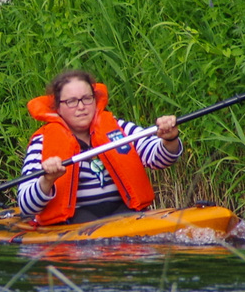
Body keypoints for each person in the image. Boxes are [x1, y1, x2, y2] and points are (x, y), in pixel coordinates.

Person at [17, 70, 183, 224]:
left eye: (86, 98)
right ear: (58, 107)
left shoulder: (118, 128)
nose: (81, 107)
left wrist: (169, 139)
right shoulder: (42, 142)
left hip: (125, 215)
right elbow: (26, 206)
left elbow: (159, 158)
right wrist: (47, 180)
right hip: (76, 223)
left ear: (95, 100)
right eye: (71, 101)